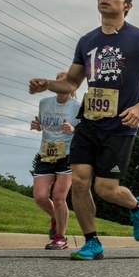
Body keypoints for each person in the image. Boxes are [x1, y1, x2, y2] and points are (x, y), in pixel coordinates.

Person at [29, 0, 139, 260]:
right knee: (80, 182)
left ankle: (137, 206)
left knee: (105, 189)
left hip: (120, 125)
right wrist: (47, 83)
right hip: (89, 123)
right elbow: (71, 82)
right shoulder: (88, 41)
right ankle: (92, 242)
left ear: (127, 5)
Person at [30, 71, 81, 251]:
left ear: (71, 87)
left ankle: (61, 237)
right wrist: (38, 127)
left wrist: (73, 129)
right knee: (40, 197)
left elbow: (84, 132)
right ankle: (55, 218)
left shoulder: (77, 106)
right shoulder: (44, 103)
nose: (61, 88)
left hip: (67, 155)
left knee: (59, 197)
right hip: (46, 153)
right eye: (58, 84)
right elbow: (44, 125)